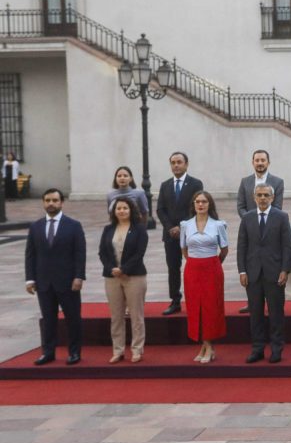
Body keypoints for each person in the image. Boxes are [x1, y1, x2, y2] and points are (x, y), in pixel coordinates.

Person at [25, 188, 86, 365]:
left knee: (73, 318)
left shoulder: (73, 226)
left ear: (61, 202)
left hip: (68, 281)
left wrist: (79, 276)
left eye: (54, 200)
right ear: (43, 203)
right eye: (47, 200)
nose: (51, 203)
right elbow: (30, 254)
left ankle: (74, 352)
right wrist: (30, 279)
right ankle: (48, 352)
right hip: (44, 282)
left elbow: (79, 253)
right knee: (48, 319)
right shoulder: (35, 227)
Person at [237, 183, 291, 363]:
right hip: (253, 274)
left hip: (275, 273)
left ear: (272, 198)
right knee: (255, 314)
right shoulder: (247, 218)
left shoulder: (281, 217)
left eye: (265, 195)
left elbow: (287, 246)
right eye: (259, 195)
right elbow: (242, 246)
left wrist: (285, 269)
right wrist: (242, 270)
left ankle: (277, 348)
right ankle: (258, 348)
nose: (262, 198)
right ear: (254, 198)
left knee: (276, 313)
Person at [180, 191, 229, 364]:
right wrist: (195, 263)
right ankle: (205, 346)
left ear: (210, 204)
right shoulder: (186, 225)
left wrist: (212, 264)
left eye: (204, 202)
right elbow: (184, 248)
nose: (201, 205)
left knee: (210, 308)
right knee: (195, 307)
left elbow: (224, 250)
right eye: (197, 202)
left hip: (212, 269)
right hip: (193, 269)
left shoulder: (218, 225)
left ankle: (208, 346)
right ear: (193, 205)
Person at [98, 198, 148, 363]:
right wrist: (112, 268)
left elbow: (139, 253)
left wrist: (124, 269)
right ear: (114, 211)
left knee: (136, 315)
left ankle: (137, 349)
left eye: (125, 208)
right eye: (118, 208)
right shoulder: (108, 229)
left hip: (134, 276)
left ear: (131, 210)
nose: (121, 211)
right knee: (116, 316)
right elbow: (102, 253)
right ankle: (118, 350)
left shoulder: (139, 229)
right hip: (112, 277)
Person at [156, 152, 203, 315]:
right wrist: (170, 227)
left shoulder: (196, 184)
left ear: (186, 164)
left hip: (190, 234)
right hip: (170, 236)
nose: (176, 165)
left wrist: (182, 227)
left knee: (194, 268)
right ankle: (175, 301)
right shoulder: (165, 185)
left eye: (179, 162)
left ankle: (196, 300)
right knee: (173, 269)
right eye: (173, 163)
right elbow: (160, 209)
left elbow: (197, 207)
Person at [236, 149, 285, 217]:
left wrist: (266, 220)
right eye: (257, 160)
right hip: (249, 224)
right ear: (253, 163)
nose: (260, 163)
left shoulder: (278, 182)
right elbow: (241, 207)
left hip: (270, 224)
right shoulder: (244, 182)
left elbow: (277, 207)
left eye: (263, 160)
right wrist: (249, 220)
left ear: (268, 163)